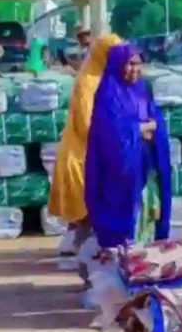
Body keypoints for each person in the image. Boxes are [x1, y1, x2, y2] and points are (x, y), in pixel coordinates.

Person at [84, 44, 172, 248]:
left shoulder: (141, 91)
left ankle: (144, 253)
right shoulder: (108, 94)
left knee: (148, 213)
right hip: (118, 174)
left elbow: (155, 119)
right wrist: (140, 129)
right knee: (125, 216)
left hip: (145, 165)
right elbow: (108, 133)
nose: (135, 69)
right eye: (130, 64)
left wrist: (155, 128)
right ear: (117, 65)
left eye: (138, 64)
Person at [48, 34, 122, 263]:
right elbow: (85, 122)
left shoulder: (110, 78)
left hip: (99, 145)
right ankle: (80, 241)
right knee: (85, 199)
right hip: (82, 149)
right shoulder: (88, 81)